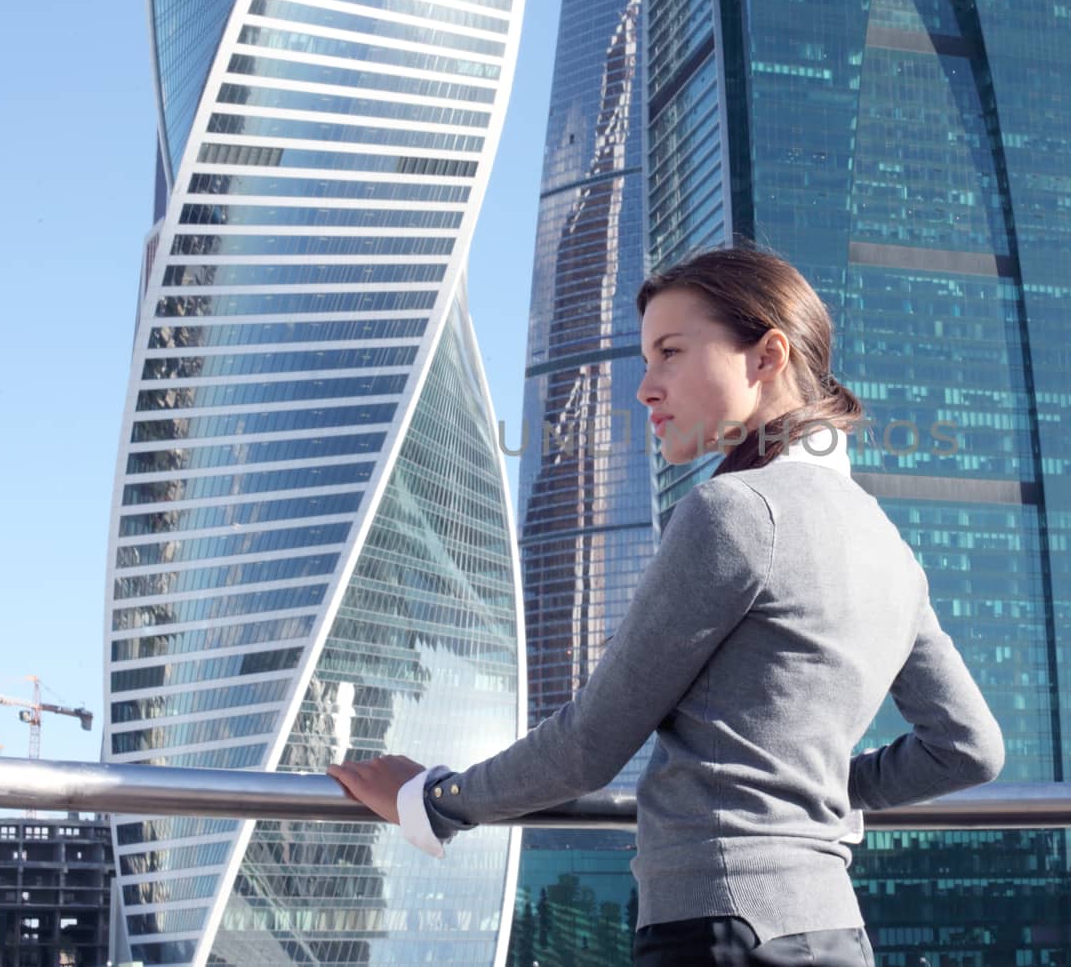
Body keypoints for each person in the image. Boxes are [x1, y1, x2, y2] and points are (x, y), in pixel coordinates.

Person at [328, 244, 1004, 966]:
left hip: (719, 930)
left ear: (767, 354)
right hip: (835, 933)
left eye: (670, 352)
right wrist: (808, 786)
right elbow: (969, 748)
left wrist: (431, 799)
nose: (645, 387)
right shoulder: (888, 546)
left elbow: (588, 745)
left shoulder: (736, 511)